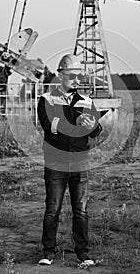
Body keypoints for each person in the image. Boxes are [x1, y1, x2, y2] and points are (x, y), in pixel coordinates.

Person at [37, 54, 102, 266]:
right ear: (60, 75)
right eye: (72, 76)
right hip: (55, 163)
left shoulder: (86, 101)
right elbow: (50, 126)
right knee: (52, 210)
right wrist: (77, 120)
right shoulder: (46, 100)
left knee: (81, 211)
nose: (76, 80)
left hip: (79, 163)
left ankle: (83, 253)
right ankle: (47, 253)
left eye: (79, 76)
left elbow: (95, 132)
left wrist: (91, 124)